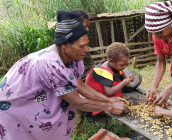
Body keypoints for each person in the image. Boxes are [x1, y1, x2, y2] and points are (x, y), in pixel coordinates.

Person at [0, 10, 128, 140]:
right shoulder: (50, 64)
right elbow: (77, 101)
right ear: (64, 45)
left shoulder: (74, 60)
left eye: (87, 45)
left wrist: (109, 99)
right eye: (82, 46)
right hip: (14, 110)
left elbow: (80, 86)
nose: (87, 50)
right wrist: (110, 106)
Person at [85, 42, 134, 119]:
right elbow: (109, 91)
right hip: (98, 100)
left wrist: (128, 79)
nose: (124, 67)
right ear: (111, 61)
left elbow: (123, 76)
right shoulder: (104, 73)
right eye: (122, 65)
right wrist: (123, 83)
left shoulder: (115, 65)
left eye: (126, 64)